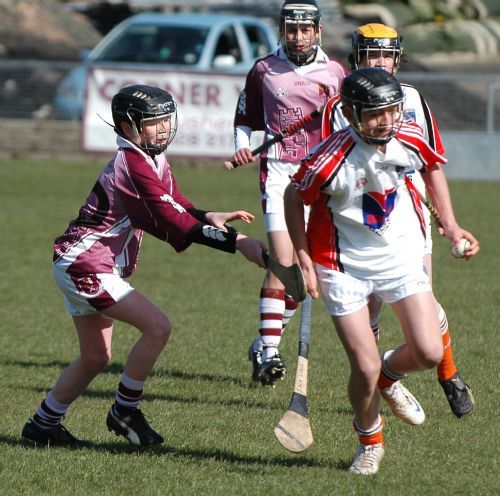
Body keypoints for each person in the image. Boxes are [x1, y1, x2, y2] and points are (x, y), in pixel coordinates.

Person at [21, 84, 267, 448]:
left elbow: (176, 202)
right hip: (85, 265)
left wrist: (207, 215)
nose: (163, 128)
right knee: (157, 327)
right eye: (153, 123)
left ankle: (42, 426)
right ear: (128, 127)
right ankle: (125, 410)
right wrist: (238, 242)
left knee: (95, 357)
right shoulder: (131, 164)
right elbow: (169, 219)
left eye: (166, 120)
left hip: (82, 263)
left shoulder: (150, 157)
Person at [284, 67, 479, 474]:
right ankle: (370, 441)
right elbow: (293, 195)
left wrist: (451, 224)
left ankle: (389, 376)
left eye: (392, 110)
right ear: (351, 114)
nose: (386, 121)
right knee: (364, 367)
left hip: (400, 255)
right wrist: (302, 257)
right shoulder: (330, 159)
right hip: (342, 265)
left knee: (428, 352)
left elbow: (432, 168)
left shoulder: (409, 136)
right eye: (374, 114)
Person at [321, 23, 475, 418]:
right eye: (370, 54)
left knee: (426, 301)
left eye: (385, 55)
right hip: (359, 220)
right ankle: (377, 381)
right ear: (357, 58)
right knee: (369, 308)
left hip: (409, 213)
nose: (378, 62)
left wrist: (449, 222)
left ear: (397, 59)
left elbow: (431, 163)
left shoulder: (413, 98)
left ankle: (445, 374)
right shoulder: (339, 107)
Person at [226, 0, 348, 386]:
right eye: (291, 30)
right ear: (283, 30)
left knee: (306, 277)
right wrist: (241, 145)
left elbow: (347, 125)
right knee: (282, 261)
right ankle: (269, 352)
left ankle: (263, 340)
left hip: (321, 178)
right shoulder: (264, 69)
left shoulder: (335, 72)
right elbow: (244, 117)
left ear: (318, 31)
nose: (298, 37)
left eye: (305, 30)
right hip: (279, 172)